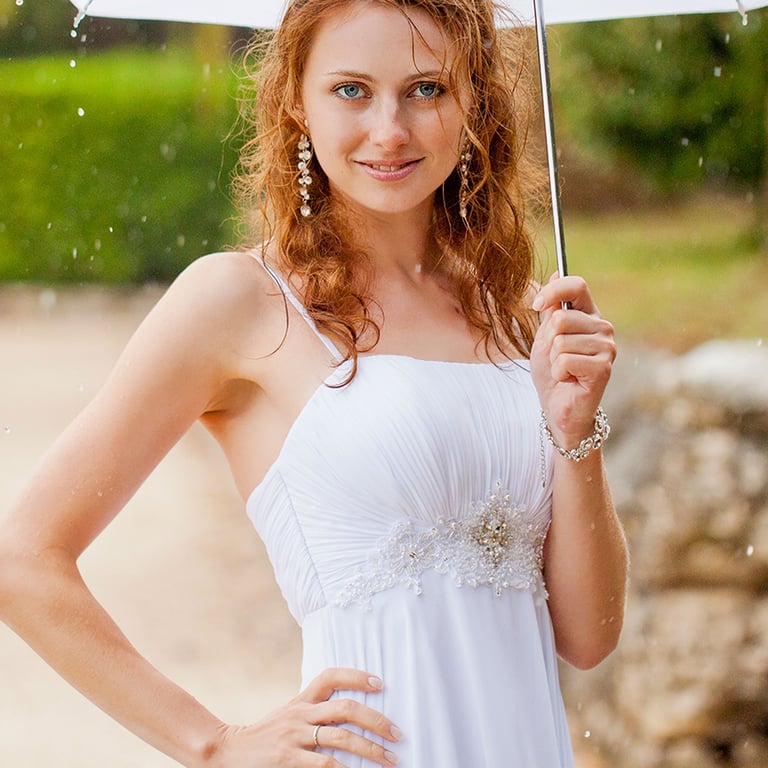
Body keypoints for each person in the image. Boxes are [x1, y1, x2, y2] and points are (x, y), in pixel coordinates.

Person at [0, 0, 628, 766]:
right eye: (352, 90)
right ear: (296, 99)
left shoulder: (515, 311)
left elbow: (589, 638)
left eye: (426, 89)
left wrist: (574, 435)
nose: (389, 130)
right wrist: (213, 744)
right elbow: (21, 557)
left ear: (474, 101)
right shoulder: (239, 302)